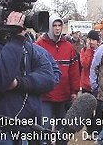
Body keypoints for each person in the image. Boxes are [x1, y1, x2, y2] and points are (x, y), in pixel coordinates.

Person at [0, 10, 57, 144]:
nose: (21, 21)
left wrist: (19, 83)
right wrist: (16, 39)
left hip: (28, 128)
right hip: (0, 129)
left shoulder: (25, 45)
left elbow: (49, 78)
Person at [36, 14, 80, 145]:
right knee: (44, 131)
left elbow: (74, 71)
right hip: (45, 97)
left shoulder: (69, 47)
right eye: (54, 25)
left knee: (63, 131)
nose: (57, 28)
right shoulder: (39, 45)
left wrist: (74, 91)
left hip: (64, 96)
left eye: (59, 25)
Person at [79, 30, 100, 139]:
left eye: (93, 40)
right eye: (90, 39)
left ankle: (96, 131)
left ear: (98, 41)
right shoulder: (84, 51)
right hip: (86, 85)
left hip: (97, 85)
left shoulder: (100, 51)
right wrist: (88, 50)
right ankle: (89, 130)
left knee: (99, 110)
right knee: (87, 111)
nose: (91, 42)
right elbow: (85, 64)